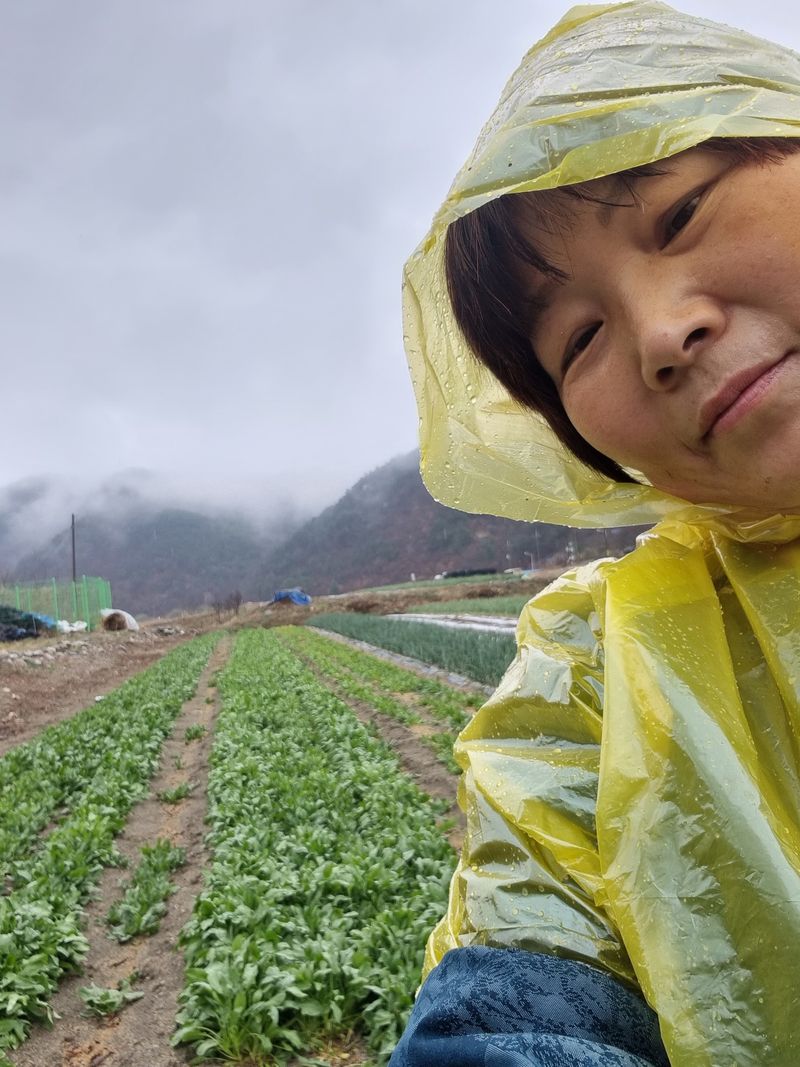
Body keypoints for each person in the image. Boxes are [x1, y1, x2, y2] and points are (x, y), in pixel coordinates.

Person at [389, 3, 800, 1065]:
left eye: (679, 214)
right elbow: (516, 1002)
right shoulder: (593, 678)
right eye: (578, 339)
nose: (662, 334)